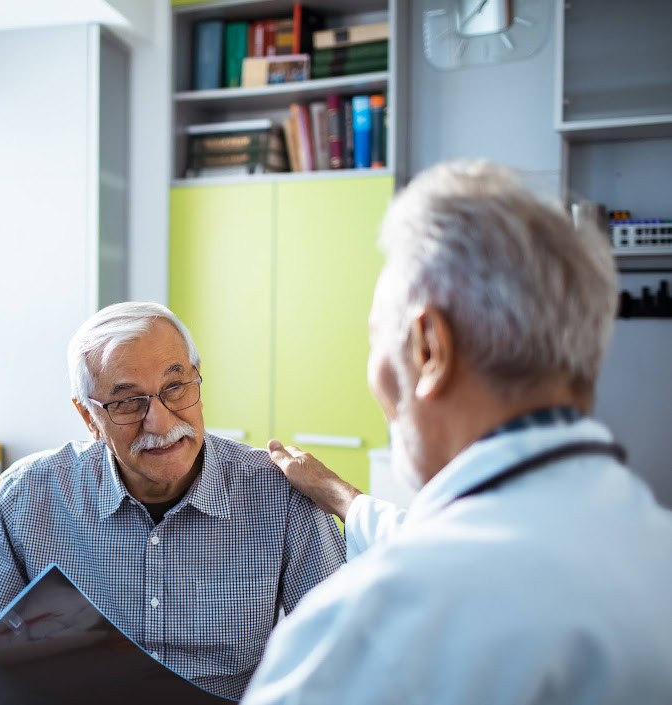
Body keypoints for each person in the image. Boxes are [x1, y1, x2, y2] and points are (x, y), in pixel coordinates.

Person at [242, 160, 672, 704]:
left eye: (377, 339)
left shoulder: (366, 633)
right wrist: (339, 494)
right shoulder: (650, 552)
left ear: (428, 350)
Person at [0, 302, 347, 700]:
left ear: (197, 378)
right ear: (89, 417)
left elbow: (344, 653)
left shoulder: (280, 495)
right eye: (128, 402)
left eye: (176, 387)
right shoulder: (31, 496)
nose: (160, 422)